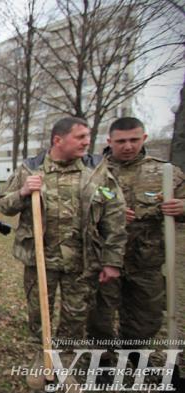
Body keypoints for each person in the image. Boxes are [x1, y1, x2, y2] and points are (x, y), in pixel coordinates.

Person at [0, 117, 127, 391]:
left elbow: (114, 216)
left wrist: (112, 260)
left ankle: (65, 366)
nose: (86, 142)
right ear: (58, 140)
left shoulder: (96, 171)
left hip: (81, 262)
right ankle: (41, 357)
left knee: (75, 318)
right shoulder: (30, 168)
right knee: (38, 314)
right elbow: (4, 206)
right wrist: (22, 192)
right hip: (39, 260)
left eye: (87, 136)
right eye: (80, 137)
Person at [87, 117, 185, 350]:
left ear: (144, 138)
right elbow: (78, 212)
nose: (128, 146)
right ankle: (104, 360)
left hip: (146, 261)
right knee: (99, 316)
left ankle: (133, 351)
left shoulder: (166, 173)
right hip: (104, 259)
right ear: (109, 141)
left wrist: (183, 207)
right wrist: (105, 214)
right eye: (121, 141)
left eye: (134, 140)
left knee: (146, 318)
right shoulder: (93, 175)